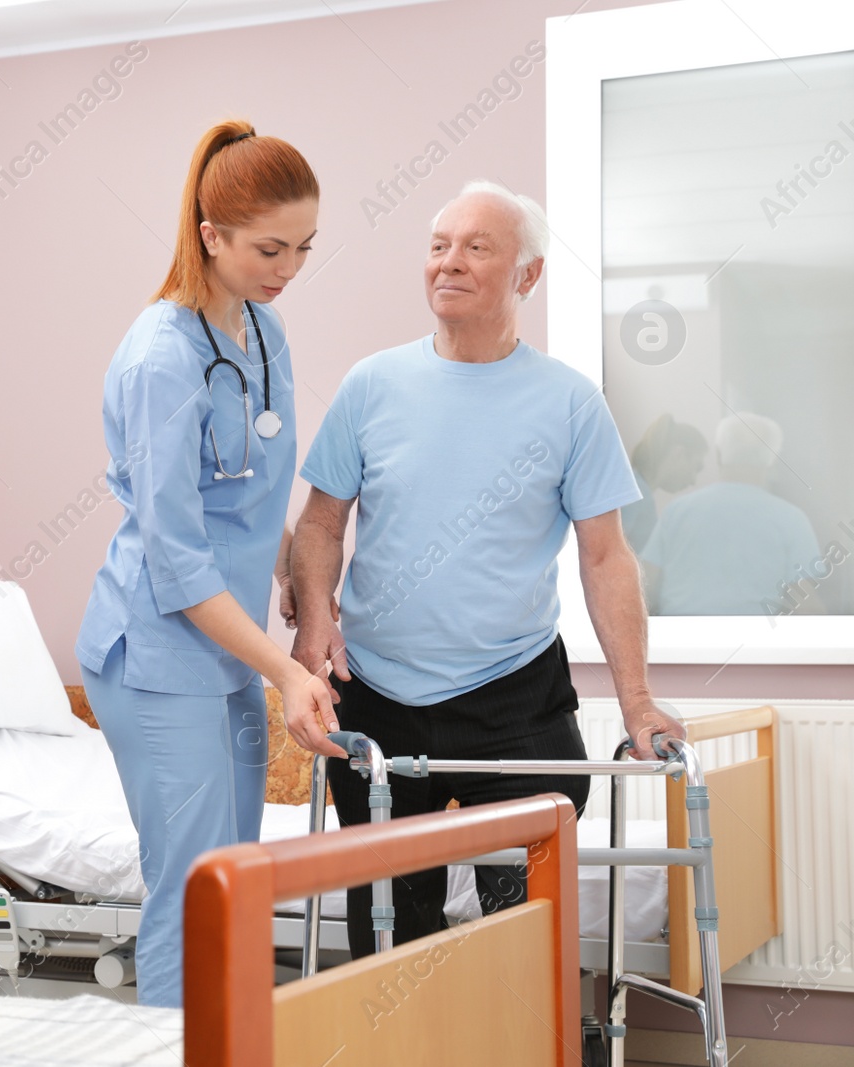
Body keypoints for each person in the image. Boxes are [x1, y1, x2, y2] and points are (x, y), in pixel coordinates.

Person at [290, 180, 687, 959]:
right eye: (439, 245)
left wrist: (637, 702)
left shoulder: (571, 402)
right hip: (376, 695)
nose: (450, 262)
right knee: (394, 942)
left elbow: (605, 557)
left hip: (516, 702)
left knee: (522, 939)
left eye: (477, 247)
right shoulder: (373, 383)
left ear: (527, 276)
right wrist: (314, 620)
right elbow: (320, 522)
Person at [74, 121, 341, 1008]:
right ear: (209, 234)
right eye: (270, 248)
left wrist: (301, 606)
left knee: (237, 882)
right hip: (155, 648)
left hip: (225, 646)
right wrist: (280, 671)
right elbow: (178, 557)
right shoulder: (161, 355)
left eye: (304, 247)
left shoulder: (264, 332)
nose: (288, 268)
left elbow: (253, 488)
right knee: (192, 891)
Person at [641, 412, 824, 615]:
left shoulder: (676, 512)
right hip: (758, 643)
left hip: (683, 641)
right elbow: (806, 606)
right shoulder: (793, 519)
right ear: (772, 460)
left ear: (718, 455)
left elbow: (644, 587)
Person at [622, 413, 706, 554]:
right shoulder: (635, 492)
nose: (693, 481)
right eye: (696, 468)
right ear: (678, 454)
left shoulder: (639, 491)